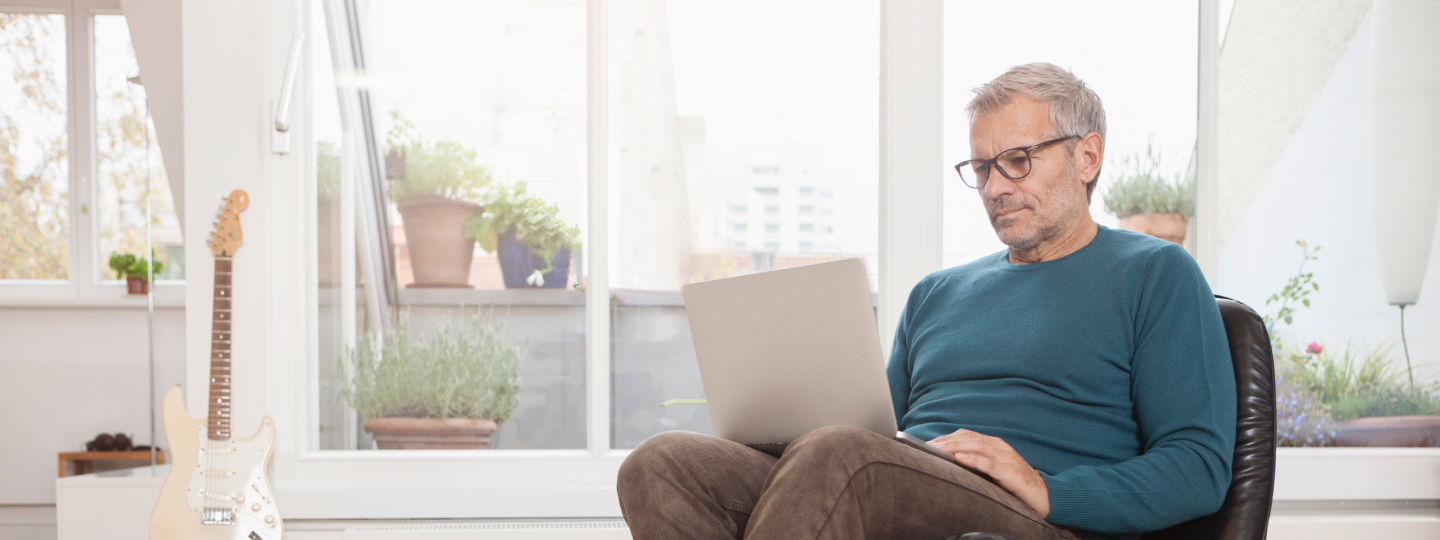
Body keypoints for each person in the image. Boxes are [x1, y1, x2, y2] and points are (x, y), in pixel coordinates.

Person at [616, 62, 1236, 540]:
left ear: (1088, 156)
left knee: (845, 458)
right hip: (896, 479)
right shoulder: (936, 294)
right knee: (662, 464)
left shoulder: (1156, 273)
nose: (995, 187)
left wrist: (1049, 488)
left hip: (1034, 516)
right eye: (982, 167)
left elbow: (1199, 467)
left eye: (1017, 162)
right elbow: (870, 434)